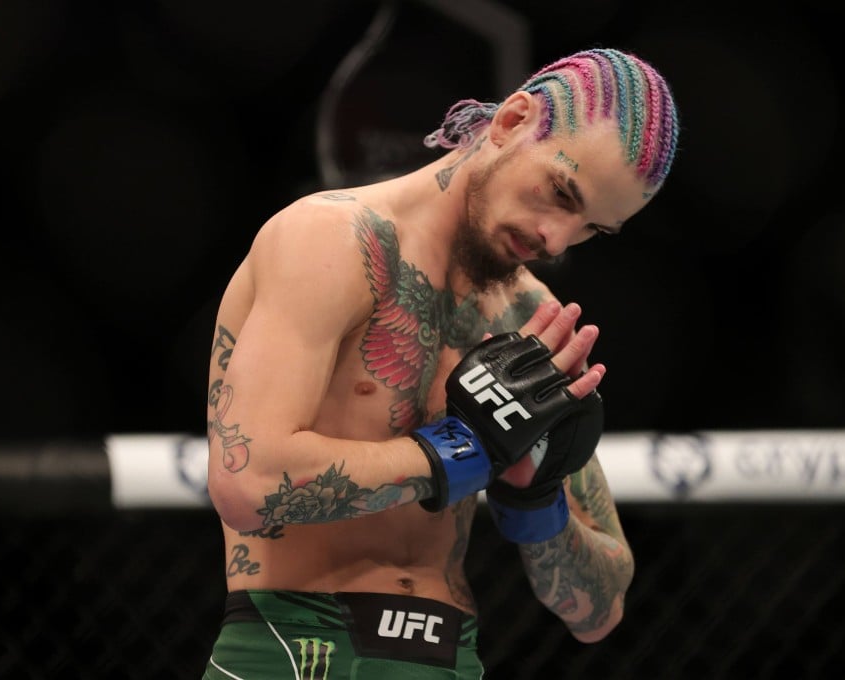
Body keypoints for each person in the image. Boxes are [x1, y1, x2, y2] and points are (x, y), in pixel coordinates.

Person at [202, 47, 679, 679]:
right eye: (562, 194)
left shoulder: (532, 317)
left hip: (449, 658)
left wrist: (536, 500)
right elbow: (249, 483)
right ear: (511, 122)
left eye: (593, 228)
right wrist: (459, 452)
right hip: (296, 649)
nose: (558, 240)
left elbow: (600, 610)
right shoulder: (330, 241)